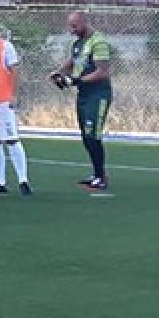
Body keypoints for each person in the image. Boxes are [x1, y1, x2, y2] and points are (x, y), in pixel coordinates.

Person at [51, 11, 112, 192]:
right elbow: (71, 61)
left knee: (93, 135)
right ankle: (96, 174)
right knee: (86, 136)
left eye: (75, 26)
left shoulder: (98, 42)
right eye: (70, 26)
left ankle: (101, 177)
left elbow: (102, 72)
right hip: (84, 94)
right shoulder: (77, 43)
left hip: (98, 94)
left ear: (85, 23)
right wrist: (58, 73)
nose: (72, 30)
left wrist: (76, 80)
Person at [0, 15, 32, 195]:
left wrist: (13, 95)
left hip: (2, 100)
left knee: (11, 139)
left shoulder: (4, 46)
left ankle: (23, 180)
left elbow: (15, 70)